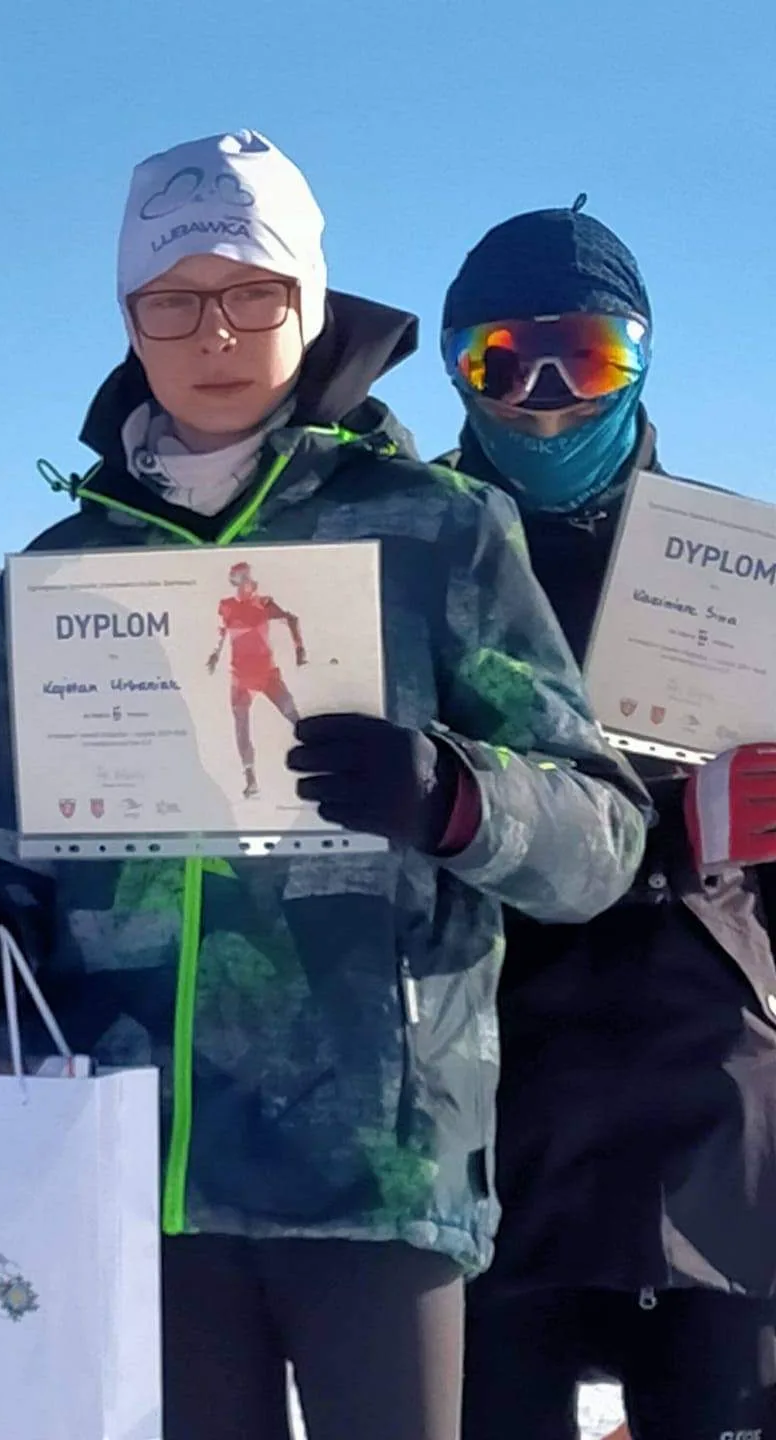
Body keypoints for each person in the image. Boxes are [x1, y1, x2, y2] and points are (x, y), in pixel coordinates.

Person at [0, 130, 651, 1440]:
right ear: (129, 317)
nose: (212, 333)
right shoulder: (63, 570)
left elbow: (603, 832)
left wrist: (458, 798)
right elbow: (23, 848)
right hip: (145, 1170)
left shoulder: (438, 528)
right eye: (171, 301)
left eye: (253, 293)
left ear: (310, 299)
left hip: (375, 1166)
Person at [439, 202, 776, 1440]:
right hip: (490, 1085)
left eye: (583, 358)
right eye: (498, 360)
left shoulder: (738, 568)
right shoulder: (406, 550)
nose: (541, 399)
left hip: (707, 1091)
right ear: (455, 364)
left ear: (640, 356)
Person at [207, 559, 306, 797]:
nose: (249, 581)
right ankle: (251, 779)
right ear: (236, 581)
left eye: (249, 576)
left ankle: (318, 747)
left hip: (267, 673)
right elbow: (221, 631)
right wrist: (215, 654)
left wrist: (299, 649)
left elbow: (291, 619)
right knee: (241, 726)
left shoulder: (264, 603)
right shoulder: (226, 606)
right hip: (241, 676)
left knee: (291, 712)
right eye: (243, 577)